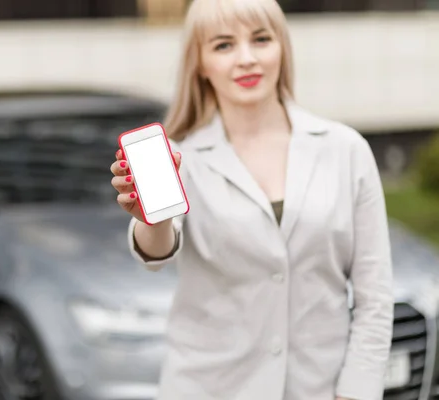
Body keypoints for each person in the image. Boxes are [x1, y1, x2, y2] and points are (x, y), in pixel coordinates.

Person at [110, 0, 394, 399]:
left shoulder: (345, 150)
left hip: (319, 388)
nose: (246, 59)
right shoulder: (179, 158)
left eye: (261, 39)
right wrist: (151, 218)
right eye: (223, 45)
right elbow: (158, 253)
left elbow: (375, 297)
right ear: (200, 64)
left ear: (282, 48)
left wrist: (357, 391)